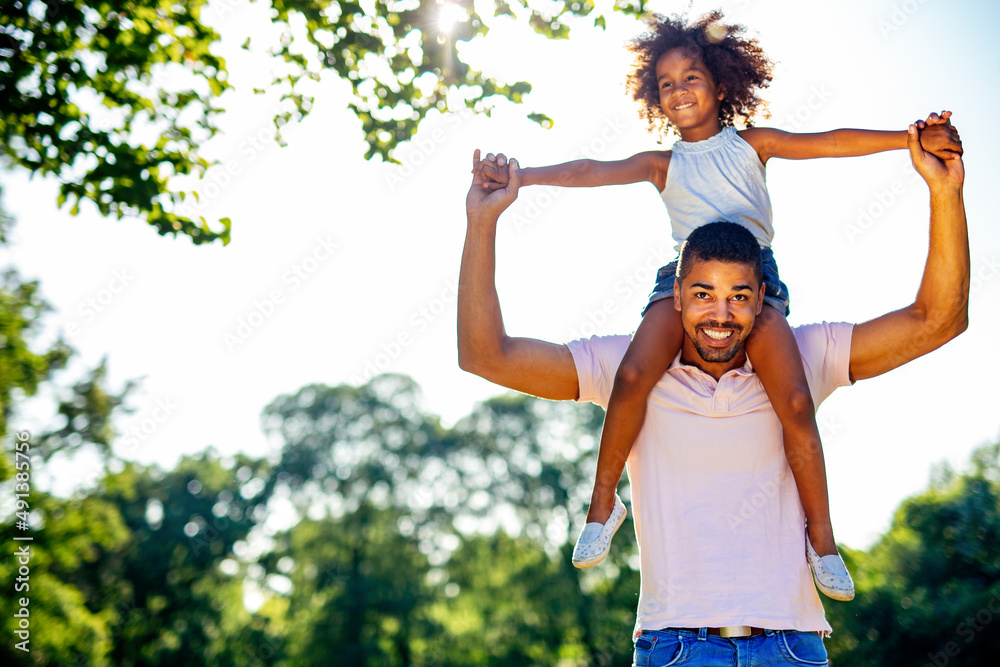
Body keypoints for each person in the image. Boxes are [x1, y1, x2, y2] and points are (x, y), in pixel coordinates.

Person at [472, 11, 961, 598]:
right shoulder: (664, 164)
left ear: (722, 85)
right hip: (680, 285)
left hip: (757, 285)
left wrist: (908, 139)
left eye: (692, 77)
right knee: (632, 374)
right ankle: (603, 505)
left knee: (796, 400)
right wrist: (521, 177)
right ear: (656, 98)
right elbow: (591, 170)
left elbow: (828, 143)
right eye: (667, 83)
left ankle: (823, 540)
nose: (679, 90)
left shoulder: (752, 144)